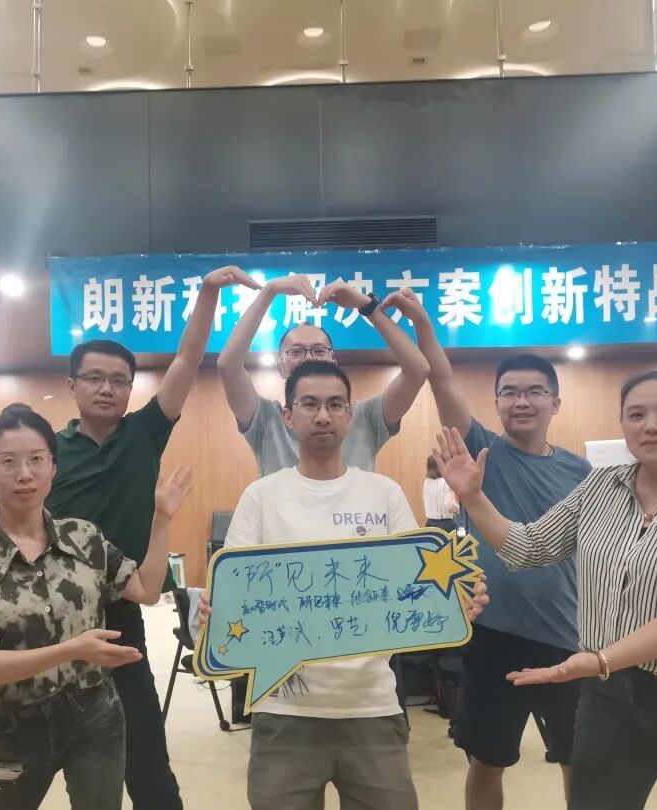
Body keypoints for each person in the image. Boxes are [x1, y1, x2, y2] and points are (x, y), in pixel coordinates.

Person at [433, 370, 657, 810]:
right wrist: (475, 498)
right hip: (610, 696)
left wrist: (600, 659)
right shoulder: (600, 487)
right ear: (623, 424)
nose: (651, 425)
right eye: (637, 414)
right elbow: (529, 547)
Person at [201, 361, 488, 810]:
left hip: (372, 707)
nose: (323, 415)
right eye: (310, 404)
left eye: (336, 405)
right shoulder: (261, 496)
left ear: (350, 415)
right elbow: (234, 593)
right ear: (288, 415)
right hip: (283, 710)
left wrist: (456, 602)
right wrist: (215, 610)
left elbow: (417, 590)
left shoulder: (383, 493)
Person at [44, 265, 258, 810]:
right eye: (94, 377)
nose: (107, 388)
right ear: (71, 385)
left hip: (121, 612)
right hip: (49, 619)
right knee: (44, 749)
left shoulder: (144, 432)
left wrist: (207, 292)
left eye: (119, 380)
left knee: (146, 755)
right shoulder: (46, 452)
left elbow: (186, 360)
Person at [386, 290, 590, 810]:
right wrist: (422, 320)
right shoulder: (481, 451)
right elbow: (440, 378)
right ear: (496, 402)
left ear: (555, 403)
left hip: (568, 635)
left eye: (535, 391)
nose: (522, 401)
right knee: (486, 760)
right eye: (509, 392)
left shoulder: (581, 472)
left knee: (579, 759)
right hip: (492, 634)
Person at [0, 403, 193, 810]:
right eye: (8, 461)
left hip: (97, 716)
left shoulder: (83, 538)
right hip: (16, 726)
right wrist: (72, 650)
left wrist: (161, 519)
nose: (24, 473)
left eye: (37, 459)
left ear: (54, 467)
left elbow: (145, 589)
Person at [217, 273, 430, 476]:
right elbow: (228, 365)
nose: (309, 358)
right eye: (296, 352)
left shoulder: (364, 417)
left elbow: (418, 370)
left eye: (319, 350)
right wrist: (269, 291)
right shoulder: (265, 419)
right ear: (280, 368)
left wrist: (366, 305)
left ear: (333, 363)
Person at [423, 455, 459, 534]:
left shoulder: (427, 482)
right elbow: (450, 506)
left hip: (429, 523)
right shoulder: (446, 482)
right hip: (446, 525)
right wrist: (457, 507)